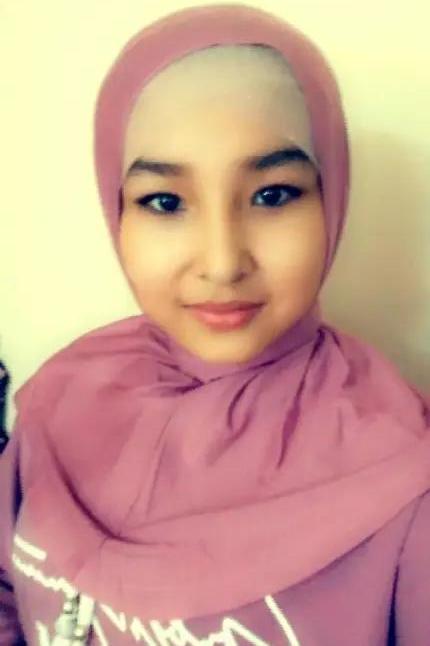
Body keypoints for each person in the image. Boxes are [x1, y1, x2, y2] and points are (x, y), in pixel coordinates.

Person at [1, 4, 429, 645]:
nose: (223, 263)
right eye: (165, 201)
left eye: (272, 194)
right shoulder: (61, 397)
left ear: (332, 195)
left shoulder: (403, 479)